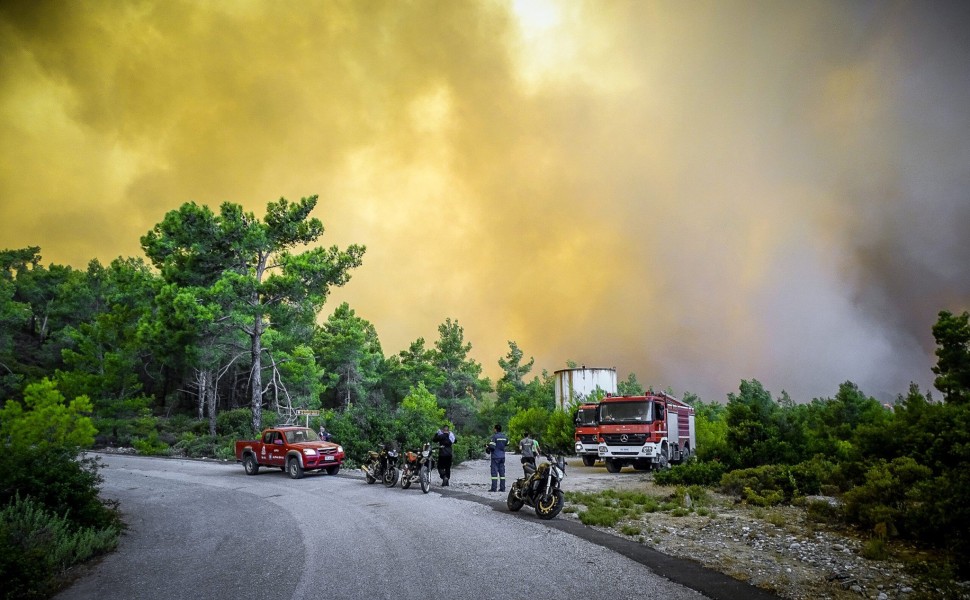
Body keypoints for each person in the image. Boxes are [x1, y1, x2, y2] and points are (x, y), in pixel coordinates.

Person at [486, 423, 509, 492]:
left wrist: (487, 447)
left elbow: (492, 447)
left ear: (495, 429)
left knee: (494, 473)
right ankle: (502, 488)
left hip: (495, 456)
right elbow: (507, 444)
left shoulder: (494, 437)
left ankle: (494, 488)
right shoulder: (504, 437)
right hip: (502, 456)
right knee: (502, 473)